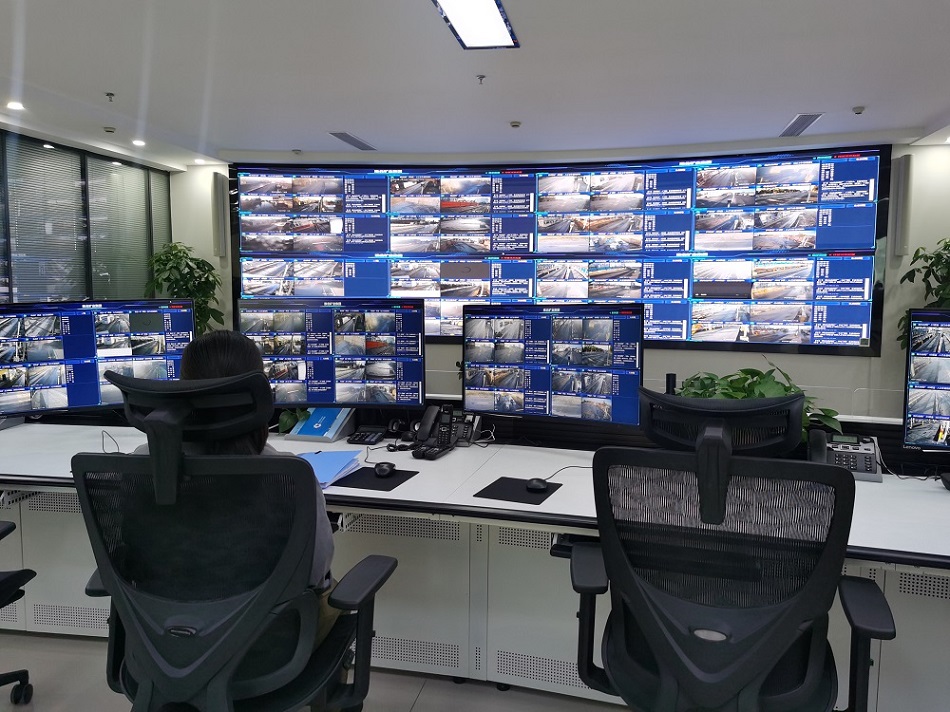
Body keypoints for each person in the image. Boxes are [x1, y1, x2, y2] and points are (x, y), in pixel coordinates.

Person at [134, 329, 338, 642]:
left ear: (181, 393)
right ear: (259, 398)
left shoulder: (142, 466)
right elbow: (315, 573)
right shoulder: (289, 476)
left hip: (164, 643)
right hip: (271, 650)